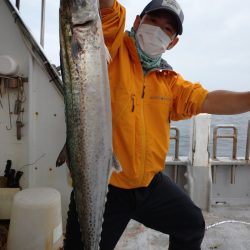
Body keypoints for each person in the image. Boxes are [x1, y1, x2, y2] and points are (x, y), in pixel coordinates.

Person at [64, 0, 250, 249]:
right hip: (104, 184)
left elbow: (209, 100)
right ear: (138, 21)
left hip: (150, 185)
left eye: (167, 29)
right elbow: (103, 10)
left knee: (191, 224)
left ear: (172, 42)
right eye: (153, 21)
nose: (158, 30)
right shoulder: (108, 50)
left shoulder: (169, 82)